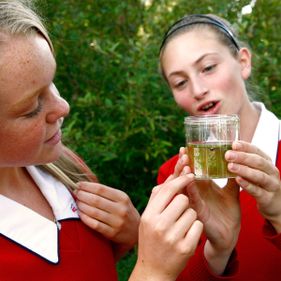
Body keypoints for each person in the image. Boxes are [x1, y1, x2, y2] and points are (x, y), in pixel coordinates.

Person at [0, 1, 140, 280]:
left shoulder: (66, 167)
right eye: (32, 108)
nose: (63, 107)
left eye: (51, 82)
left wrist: (130, 235)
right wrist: (153, 272)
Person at [157, 13, 281, 280]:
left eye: (208, 67)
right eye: (180, 82)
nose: (198, 89)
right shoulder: (176, 176)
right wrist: (218, 252)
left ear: (243, 62)